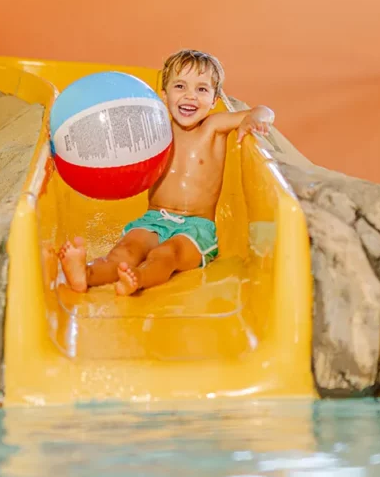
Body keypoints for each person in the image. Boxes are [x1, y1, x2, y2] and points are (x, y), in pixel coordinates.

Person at [59, 49, 275, 296]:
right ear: (163, 95)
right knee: (125, 251)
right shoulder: (157, 128)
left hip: (196, 228)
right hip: (153, 219)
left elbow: (263, 110)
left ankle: (137, 279)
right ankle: (86, 274)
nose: (190, 96)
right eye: (180, 86)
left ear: (214, 99)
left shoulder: (213, 127)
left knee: (166, 255)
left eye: (201, 90)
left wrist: (254, 120)